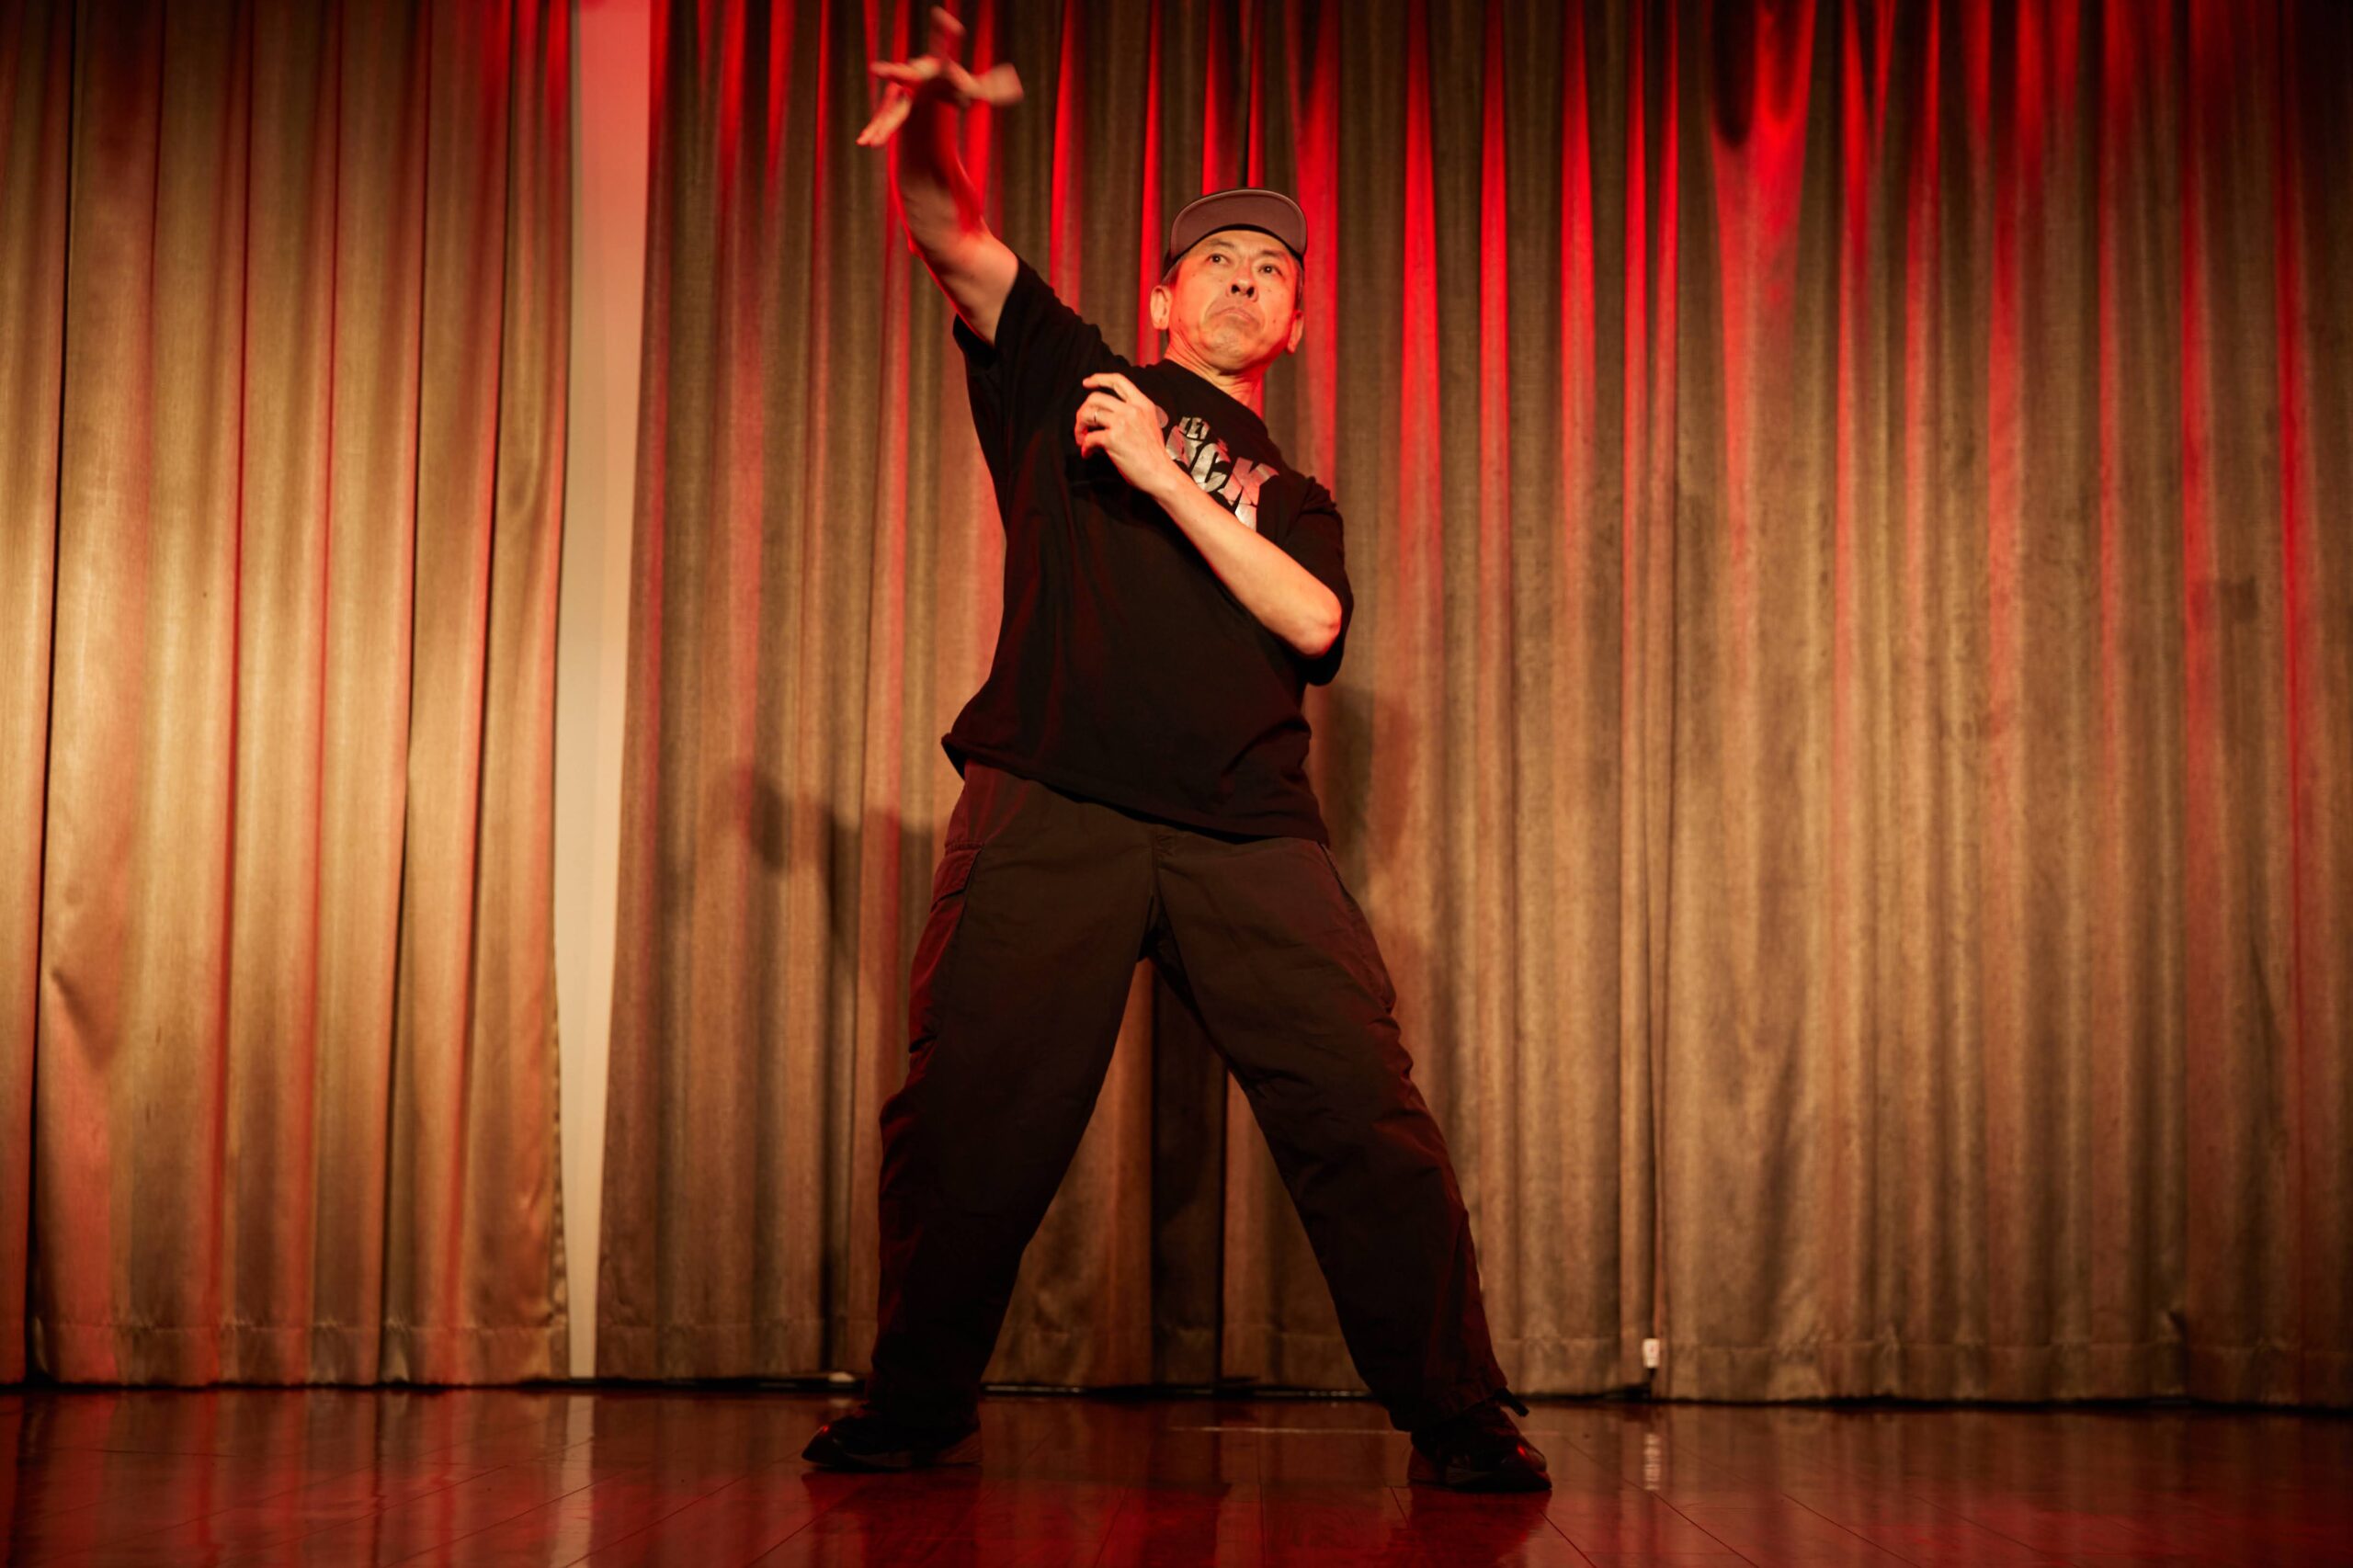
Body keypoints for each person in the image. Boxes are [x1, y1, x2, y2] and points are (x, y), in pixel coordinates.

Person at [801, 6, 1549, 1494]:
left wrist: (1160, 473)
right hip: (1051, 800)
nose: (1247, 276)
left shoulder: (1297, 495)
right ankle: (917, 1401)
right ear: (1162, 298)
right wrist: (935, 126)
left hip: (1246, 831)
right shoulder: (1070, 370)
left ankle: (1462, 1413)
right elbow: (952, 237)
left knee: (1365, 1117)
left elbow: (1314, 619)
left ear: (1293, 327)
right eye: (1219, 258)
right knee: (966, 1121)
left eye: (1273, 268)